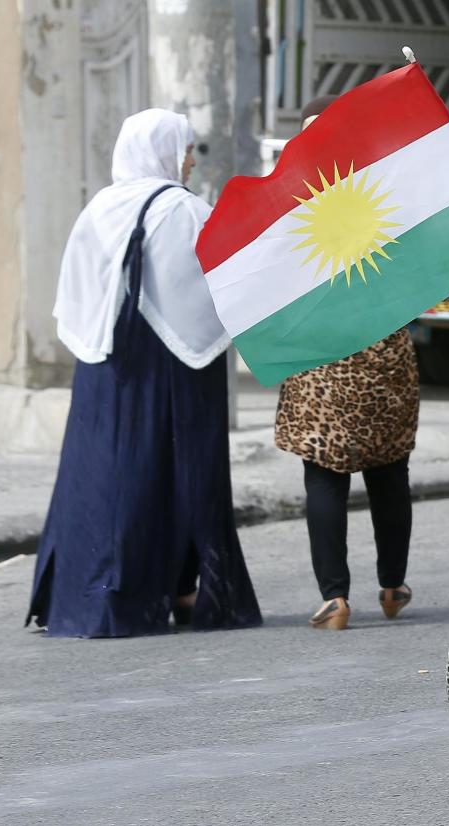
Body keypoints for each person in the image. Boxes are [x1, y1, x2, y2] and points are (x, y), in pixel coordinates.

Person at [27, 109, 261, 637]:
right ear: (161, 150)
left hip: (103, 367)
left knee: (106, 470)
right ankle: (180, 588)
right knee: (180, 470)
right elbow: (216, 281)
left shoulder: (98, 209)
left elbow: (76, 292)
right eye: (184, 149)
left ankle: (91, 591)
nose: (189, 161)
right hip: (172, 368)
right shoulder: (182, 211)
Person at [273, 95, 420, 631]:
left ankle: (334, 598)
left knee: (324, 476)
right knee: (389, 473)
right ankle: (392, 586)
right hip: (384, 352)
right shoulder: (384, 190)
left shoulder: (287, 202)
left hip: (321, 355)